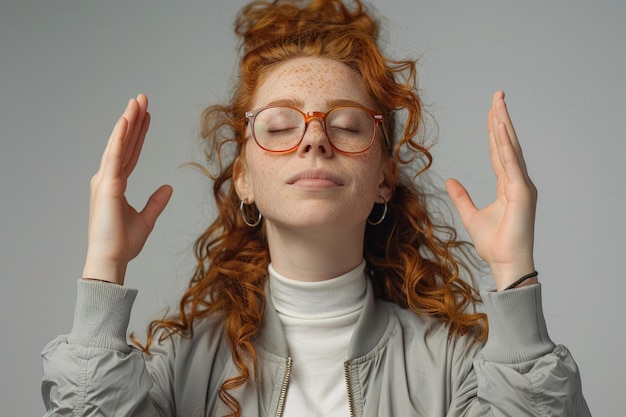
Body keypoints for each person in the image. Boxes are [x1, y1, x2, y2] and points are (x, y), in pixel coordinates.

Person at [41, 0, 591, 416]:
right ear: (244, 180)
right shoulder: (180, 363)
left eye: (347, 125)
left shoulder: (452, 367)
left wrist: (514, 272)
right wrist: (104, 269)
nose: (313, 140)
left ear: (383, 179)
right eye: (279, 126)